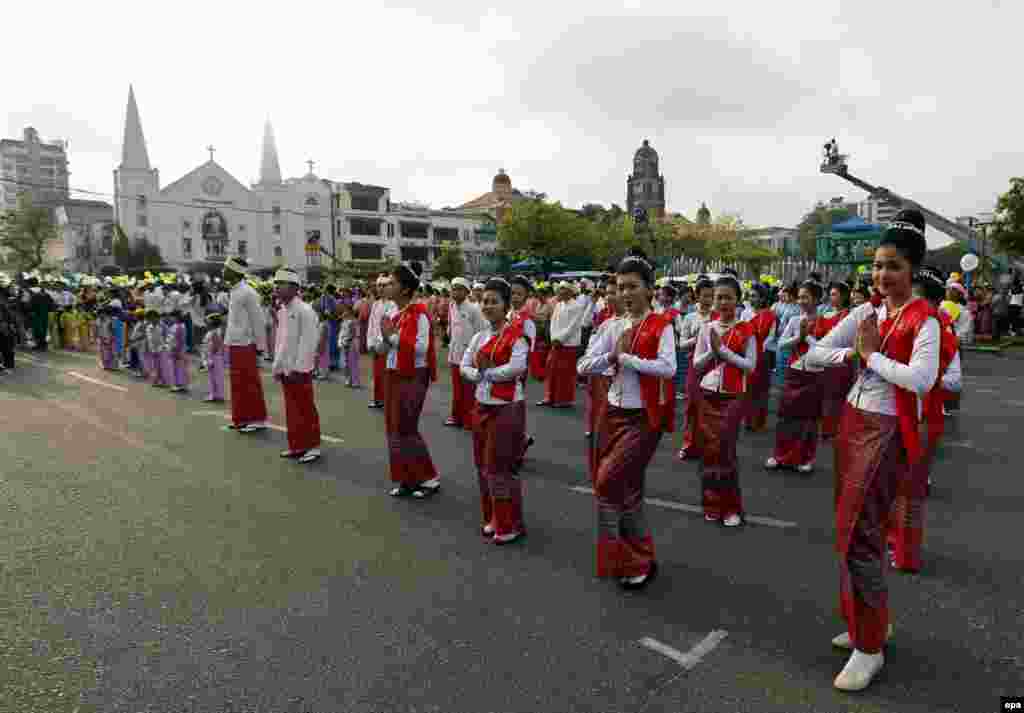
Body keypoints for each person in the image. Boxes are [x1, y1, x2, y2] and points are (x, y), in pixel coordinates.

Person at [805, 208, 939, 691]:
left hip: (885, 431)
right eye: (878, 266)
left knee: (862, 536)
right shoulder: (867, 313)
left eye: (894, 267)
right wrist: (852, 353)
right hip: (851, 422)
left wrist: (871, 357)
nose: (882, 275)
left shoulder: (927, 320)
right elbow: (813, 353)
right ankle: (870, 625)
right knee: (851, 533)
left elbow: (921, 381)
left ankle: (870, 648)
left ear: (912, 271)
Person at [577, 249, 675, 590]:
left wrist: (628, 359)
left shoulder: (661, 325)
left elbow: (668, 368)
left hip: (644, 418)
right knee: (628, 489)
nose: (626, 294)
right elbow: (583, 365)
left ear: (649, 289)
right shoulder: (610, 325)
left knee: (607, 481)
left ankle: (631, 557)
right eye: (621, 287)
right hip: (612, 413)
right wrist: (610, 355)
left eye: (633, 286)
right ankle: (637, 559)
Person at [887, 265, 960, 573]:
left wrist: (928, 376)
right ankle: (894, 541)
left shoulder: (940, 329)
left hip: (925, 417)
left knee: (911, 488)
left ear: (928, 300)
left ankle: (906, 553)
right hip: (898, 411)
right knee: (894, 482)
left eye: (914, 295)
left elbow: (955, 381)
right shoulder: (904, 323)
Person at [461, 277, 530, 544]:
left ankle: (509, 524)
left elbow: (517, 368)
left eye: (494, 301)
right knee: (481, 465)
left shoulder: (516, 336)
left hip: (507, 407)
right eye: (485, 301)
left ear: (505, 305)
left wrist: (486, 374)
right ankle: (492, 516)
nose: (488, 306)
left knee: (498, 467)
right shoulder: (479, 337)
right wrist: (479, 375)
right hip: (482, 404)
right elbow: (465, 365)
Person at [692, 276, 757, 526]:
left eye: (728, 297)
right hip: (707, 393)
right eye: (718, 297)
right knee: (709, 450)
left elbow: (750, 366)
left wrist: (725, 353)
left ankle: (731, 508)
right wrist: (712, 351)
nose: (722, 302)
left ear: (737, 299)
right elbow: (697, 364)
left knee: (726, 450)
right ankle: (711, 503)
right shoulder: (707, 328)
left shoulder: (746, 329)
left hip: (732, 396)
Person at [378, 262, 440, 498]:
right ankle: (406, 478)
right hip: (394, 372)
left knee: (406, 427)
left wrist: (391, 338)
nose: (386, 287)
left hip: (413, 374)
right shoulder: (395, 313)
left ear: (404, 289)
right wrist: (382, 342)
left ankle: (428, 477)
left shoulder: (420, 313)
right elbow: (387, 345)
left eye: (392, 283)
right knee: (393, 428)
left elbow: (421, 348)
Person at [765, 279, 828, 474]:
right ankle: (780, 454)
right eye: (799, 297)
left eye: (805, 297)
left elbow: (825, 349)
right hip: (794, 370)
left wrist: (806, 337)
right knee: (786, 415)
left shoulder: (824, 321)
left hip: (815, 373)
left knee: (809, 419)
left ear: (817, 299)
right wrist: (798, 337)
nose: (801, 301)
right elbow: (782, 344)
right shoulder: (794, 320)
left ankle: (805, 457)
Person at [272, 269, 322, 464]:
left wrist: (299, 369)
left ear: (294, 288)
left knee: (305, 408)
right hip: (286, 368)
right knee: (292, 409)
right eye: (275, 284)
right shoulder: (282, 311)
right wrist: (278, 366)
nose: (276, 287)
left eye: (281, 284)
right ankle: (297, 445)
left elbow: (309, 343)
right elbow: (280, 341)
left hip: (300, 370)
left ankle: (312, 446)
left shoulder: (305, 310)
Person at [580, 279, 624, 479]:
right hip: (602, 376)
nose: (609, 297)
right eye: (607, 293)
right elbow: (590, 351)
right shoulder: (605, 320)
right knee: (602, 426)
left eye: (614, 292)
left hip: (621, 383)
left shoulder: (635, 322)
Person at [223, 257, 269, 433]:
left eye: (225, 268)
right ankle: (241, 418)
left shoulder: (248, 292)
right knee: (237, 384)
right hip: (234, 343)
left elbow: (258, 321)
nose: (223, 271)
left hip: (246, 343)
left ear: (234, 272)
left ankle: (257, 419)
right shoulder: (234, 291)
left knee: (250, 382)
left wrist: (260, 346)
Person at [677, 277, 716, 460]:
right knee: (692, 406)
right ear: (697, 296)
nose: (708, 299)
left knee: (711, 407)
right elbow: (682, 344)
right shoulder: (690, 317)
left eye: (711, 295)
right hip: (694, 364)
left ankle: (709, 446)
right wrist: (698, 337)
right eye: (704, 295)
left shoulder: (718, 316)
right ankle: (689, 445)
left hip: (715, 365)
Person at [539, 282, 589, 408]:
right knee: (551, 370)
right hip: (556, 343)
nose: (559, 292)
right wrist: (553, 338)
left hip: (569, 344)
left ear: (570, 292)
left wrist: (560, 339)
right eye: (559, 289)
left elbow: (573, 326)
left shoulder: (577, 306)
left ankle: (563, 400)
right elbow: (553, 323)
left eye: (562, 289)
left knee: (565, 373)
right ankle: (549, 397)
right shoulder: (558, 305)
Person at [446, 276, 486, 429]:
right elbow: (451, 327)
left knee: (469, 390)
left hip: (469, 355)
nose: (455, 292)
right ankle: (456, 417)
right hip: (454, 353)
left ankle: (470, 420)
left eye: (458, 289)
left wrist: (476, 354)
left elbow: (481, 331)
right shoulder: (451, 306)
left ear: (466, 291)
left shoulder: (474, 309)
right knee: (457, 389)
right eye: (453, 289)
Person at [508, 275, 538, 468]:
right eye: (512, 293)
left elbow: (528, 348)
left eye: (519, 294)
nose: (515, 297)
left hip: (516, 369)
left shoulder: (528, 322)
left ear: (527, 297)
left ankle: (516, 447)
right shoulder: (506, 315)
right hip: (501, 367)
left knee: (513, 409)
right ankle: (519, 441)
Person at [820, 281, 854, 440]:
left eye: (834, 294)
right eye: (830, 294)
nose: (830, 297)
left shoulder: (848, 316)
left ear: (844, 296)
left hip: (841, 361)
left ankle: (836, 429)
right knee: (826, 395)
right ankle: (827, 427)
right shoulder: (825, 314)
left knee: (838, 396)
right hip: (825, 360)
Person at [744, 284, 777, 432]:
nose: (751, 299)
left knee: (761, 391)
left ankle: (759, 422)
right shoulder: (745, 314)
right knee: (748, 389)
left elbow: (770, 338)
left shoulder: (770, 315)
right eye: (750, 296)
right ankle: (748, 420)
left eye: (754, 296)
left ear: (762, 298)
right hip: (746, 355)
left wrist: (759, 350)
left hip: (763, 357)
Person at [366, 275, 396, 409]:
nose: (381, 288)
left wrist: (384, 343)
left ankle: (388, 400)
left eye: (384, 285)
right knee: (377, 375)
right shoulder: (376, 304)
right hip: (375, 345)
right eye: (379, 286)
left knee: (388, 375)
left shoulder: (394, 304)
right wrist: (370, 343)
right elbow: (371, 325)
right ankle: (377, 399)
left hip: (388, 345)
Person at [336, 303, 361, 388]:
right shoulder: (345, 321)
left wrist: (346, 341)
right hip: (346, 342)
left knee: (352, 362)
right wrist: (341, 341)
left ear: (350, 312)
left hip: (351, 343)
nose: (343, 313)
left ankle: (354, 381)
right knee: (346, 362)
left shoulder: (353, 321)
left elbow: (353, 334)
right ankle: (348, 379)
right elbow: (342, 332)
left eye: (345, 311)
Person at [203, 313, 227, 403]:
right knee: (213, 377)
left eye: (208, 322)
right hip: (213, 356)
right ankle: (215, 394)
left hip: (214, 357)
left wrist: (210, 358)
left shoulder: (215, 332)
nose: (206, 324)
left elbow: (216, 345)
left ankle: (218, 395)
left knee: (216, 377)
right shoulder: (214, 331)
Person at [169, 310, 190, 393]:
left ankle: (178, 385)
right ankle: (180, 384)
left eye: (172, 317)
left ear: (176, 317)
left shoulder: (179, 326)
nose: (171, 318)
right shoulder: (177, 325)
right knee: (179, 367)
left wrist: (177, 351)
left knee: (177, 368)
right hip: (176, 349)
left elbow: (179, 340)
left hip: (178, 350)